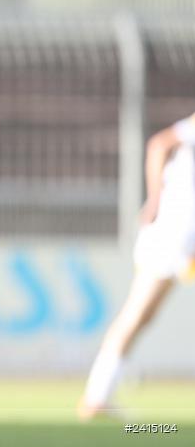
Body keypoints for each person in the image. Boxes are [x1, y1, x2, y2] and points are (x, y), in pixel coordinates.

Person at [78, 113, 195, 419]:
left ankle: (98, 395)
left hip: (184, 237)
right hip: (173, 232)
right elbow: (159, 144)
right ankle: (96, 397)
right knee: (138, 311)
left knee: (143, 314)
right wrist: (155, 199)